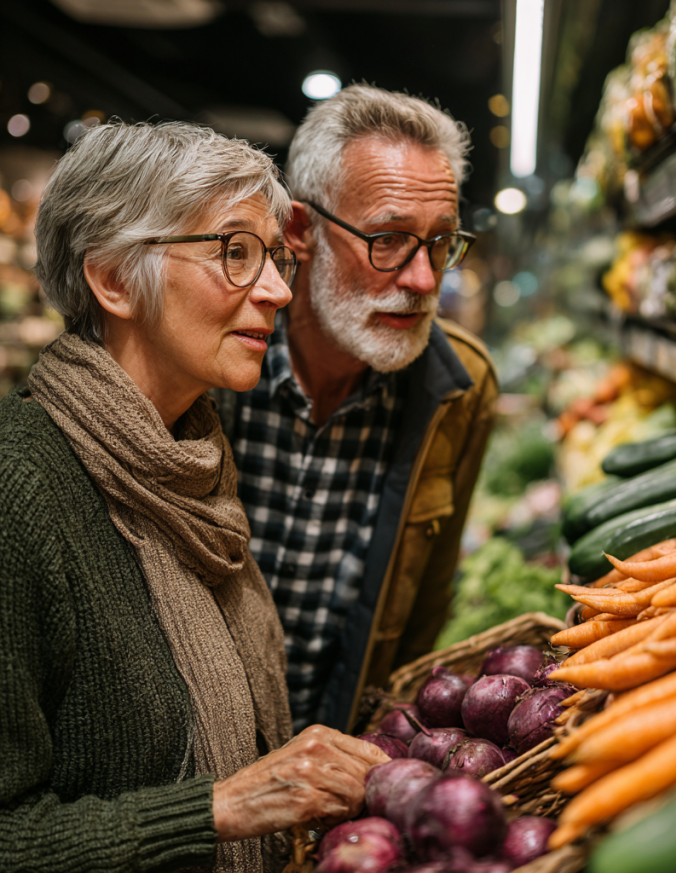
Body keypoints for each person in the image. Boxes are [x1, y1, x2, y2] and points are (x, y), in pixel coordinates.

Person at [0, 120, 387, 873]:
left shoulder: (191, 455)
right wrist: (223, 807)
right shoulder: (19, 490)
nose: (277, 289)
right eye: (234, 252)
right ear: (111, 277)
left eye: (273, 256)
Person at [217, 85, 499, 734]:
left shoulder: (458, 391)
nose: (424, 280)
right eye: (389, 240)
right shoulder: (210, 361)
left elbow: (424, 609)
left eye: (440, 242)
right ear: (300, 230)